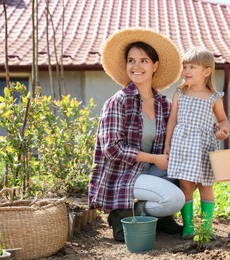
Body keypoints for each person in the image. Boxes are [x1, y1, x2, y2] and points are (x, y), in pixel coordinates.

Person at [88, 28, 185, 242]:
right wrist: (154, 159)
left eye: (144, 60)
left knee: (187, 171)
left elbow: (177, 135)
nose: (136, 66)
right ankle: (122, 215)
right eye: (131, 60)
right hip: (124, 175)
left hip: (150, 171)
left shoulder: (163, 104)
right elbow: (112, 148)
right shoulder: (119, 101)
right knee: (175, 198)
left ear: (155, 66)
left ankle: (159, 217)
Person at [164, 46, 230, 240]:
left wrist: (223, 131)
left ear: (207, 71)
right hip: (183, 146)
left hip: (204, 148)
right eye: (185, 67)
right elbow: (173, 120)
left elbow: (223, 120)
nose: (187, 71)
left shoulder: (214, 98)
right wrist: (167, 144)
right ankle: (189, 227)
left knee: (206, 186)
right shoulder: (180, 93)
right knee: (186, 186)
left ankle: (206, 228)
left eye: (192, 67)